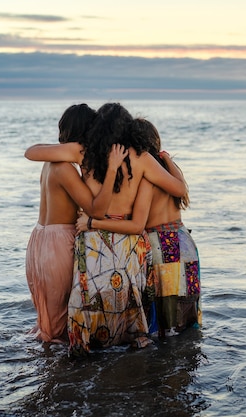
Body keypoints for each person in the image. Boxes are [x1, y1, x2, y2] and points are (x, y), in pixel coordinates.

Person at [25, 103, 187, 355]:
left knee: (90, 299)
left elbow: (32, 153)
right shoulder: (142, 158)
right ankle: (125, 353)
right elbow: (179, 190)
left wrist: (61, 149)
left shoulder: (85, 153)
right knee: (127, 301)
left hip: (93, 240)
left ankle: (84, 351)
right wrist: (165, 158)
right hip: (127, 240)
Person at [76, 118, 200, 339]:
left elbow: (136, 223)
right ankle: (188, 368)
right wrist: (167, 158)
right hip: (183, 241)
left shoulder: (146, 176)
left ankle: (164, 367)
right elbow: (181, 190)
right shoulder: (168, 171)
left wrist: (92, 222)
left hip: (162, 244)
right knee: (186, 311)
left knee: (164, 317)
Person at [24, 103, 127, 343]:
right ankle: (56, 376)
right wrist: (111, 169)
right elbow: (97, 211)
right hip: (58, 244)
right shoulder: (64, 169)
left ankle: (44, 370)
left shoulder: (50, 165)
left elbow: (31, 151)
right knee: (59, 326)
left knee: (46, 320)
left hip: (39, 240)